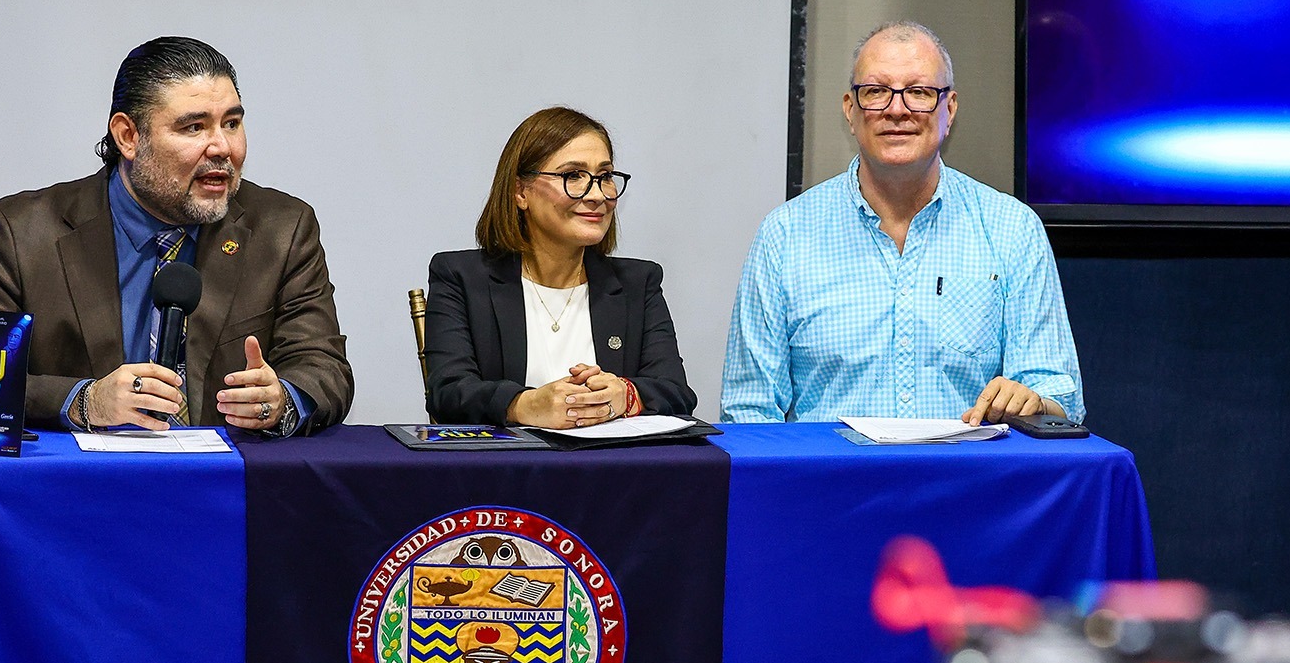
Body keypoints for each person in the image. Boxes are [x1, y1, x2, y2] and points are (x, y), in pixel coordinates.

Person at [0, 36, 353, 435]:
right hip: (79, 489)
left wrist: (283, 399)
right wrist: (85, 401)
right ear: (128, 136)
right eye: (194, 127)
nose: (222, 148)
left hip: (224, 486)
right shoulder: (22, 233)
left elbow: (325, 368)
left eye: (232, 123)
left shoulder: (281, 229)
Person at [720, 21, 1083, 426]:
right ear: (850, 109)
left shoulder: (1012, 229)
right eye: (876, 92)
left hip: (968, 485)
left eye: (919, 92)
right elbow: (748, 412)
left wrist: (1033, 401)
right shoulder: (784, 236)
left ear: (950, 108)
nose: (897, 109)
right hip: (832, 487)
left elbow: (1060, 396)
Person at [424, 106, 695, 427]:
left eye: (605, 177)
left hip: (613, 469)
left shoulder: (639, 282)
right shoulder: (461, 277)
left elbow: (677, 392)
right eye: (573, 176)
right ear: (520, 192)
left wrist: (626, 394)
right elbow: (448, 394)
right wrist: (524, 404)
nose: (596, 195)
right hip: (504, 472)